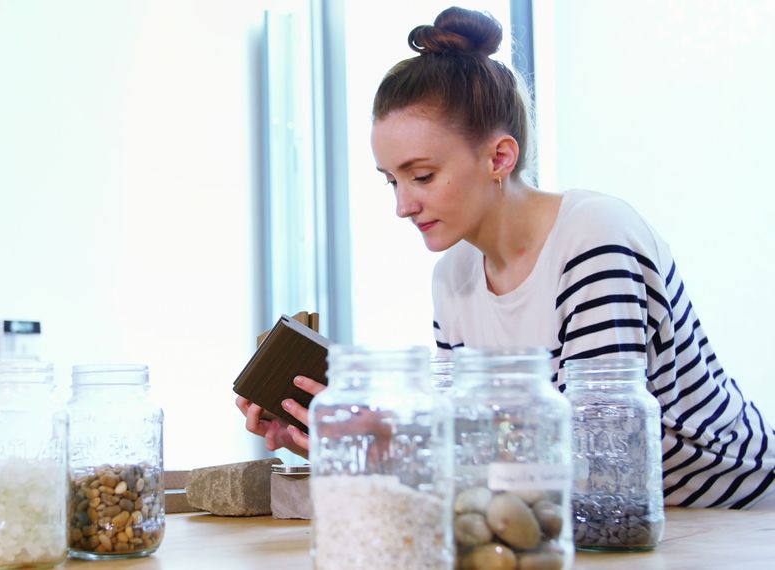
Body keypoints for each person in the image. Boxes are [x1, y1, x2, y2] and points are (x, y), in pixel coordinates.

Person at [236, 6, 775, 508]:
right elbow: (470, 457)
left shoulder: (593, 238)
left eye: (422, 176)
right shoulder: (453, 278)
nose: (403, 205)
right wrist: (339, 444)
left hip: (737, 512)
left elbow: (596, 454)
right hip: (609, 523)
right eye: (391, 181)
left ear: (499, 156)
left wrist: (387, 435)